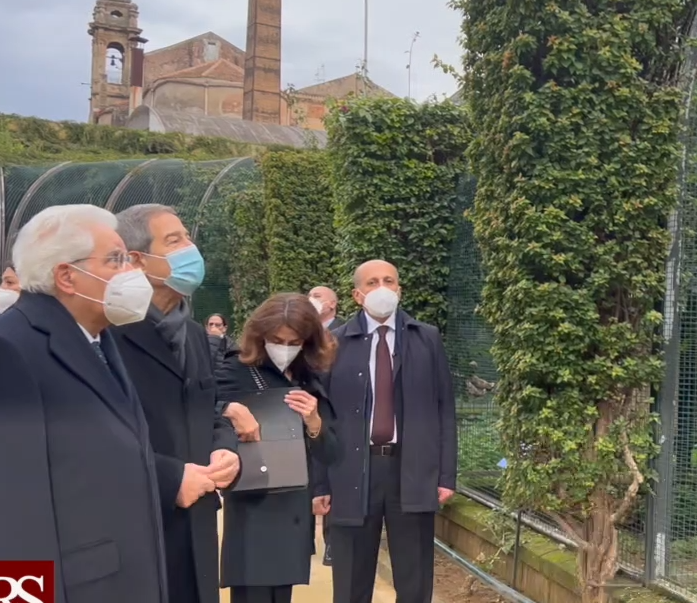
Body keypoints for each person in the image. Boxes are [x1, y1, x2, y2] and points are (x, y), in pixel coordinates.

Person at [0, 204, 169, 603]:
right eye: (115, 259)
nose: (131, 271)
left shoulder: (97, 340)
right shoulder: (4, 351)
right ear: (67, 276)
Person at [109, 204, 240, 603]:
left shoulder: (197, 335)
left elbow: (211, 408)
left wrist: (225, 447)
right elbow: (93, 435)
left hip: (197, 528)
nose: (190, 247)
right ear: (136, 259)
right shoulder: (105, 333)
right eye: (175, 240)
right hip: (136, 526)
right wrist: (170, 478)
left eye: (187, 236)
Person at [315, 259, 457, 603]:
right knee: (351, 577)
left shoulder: (426, 339)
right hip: (351, 471)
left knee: (414, 576)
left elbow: (444, 409)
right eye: (373, 282)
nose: (382, 287)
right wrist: (320, 482)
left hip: (411, 470)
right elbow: (321, 418)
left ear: (399, 290)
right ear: (357, 295)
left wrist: (446, 475)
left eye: (389, 281)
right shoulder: (334, 344)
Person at [215, 292, 341, 603]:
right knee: (253, 592)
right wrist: (229, 409)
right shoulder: (236, 369)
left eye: (293, 341)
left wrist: (313, 421)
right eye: (277, 339)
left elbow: (332, 452)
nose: (284, 348)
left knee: (281, 594)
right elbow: (199, 410)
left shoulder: (308, 376)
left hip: (293, 505)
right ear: (260, 335)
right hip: (253, 505)